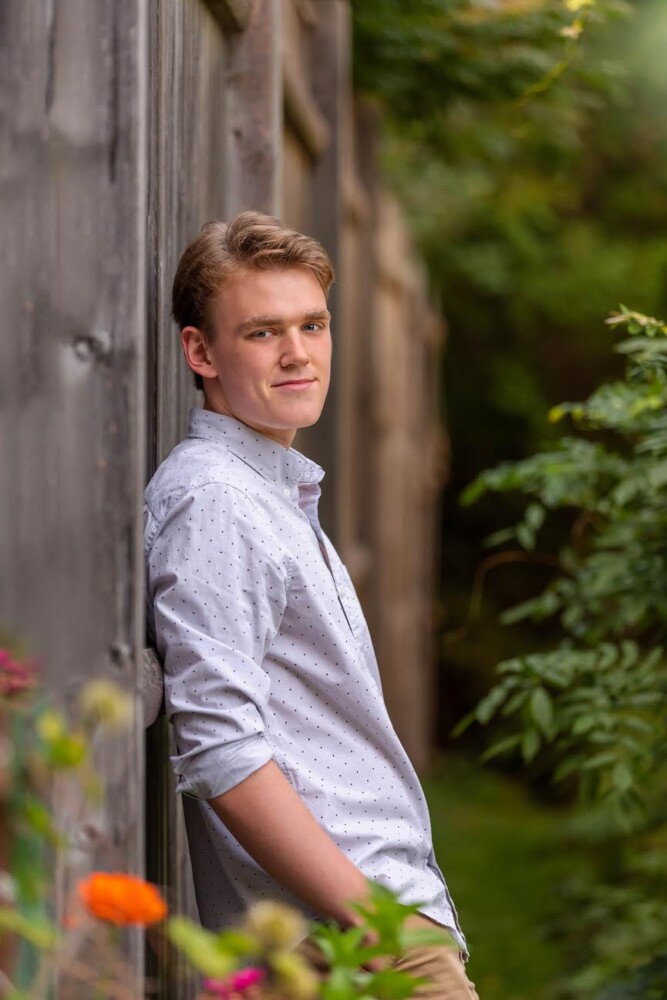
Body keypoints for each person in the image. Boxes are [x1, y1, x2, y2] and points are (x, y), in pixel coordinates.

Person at [144, 211, 478, 998]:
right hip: (341, 942)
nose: (297, 352)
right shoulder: (217, 503)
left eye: (312, 325)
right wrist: (380, 926)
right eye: (262, 332)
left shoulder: (270, 492)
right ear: (200, 352)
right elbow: (221, 747)